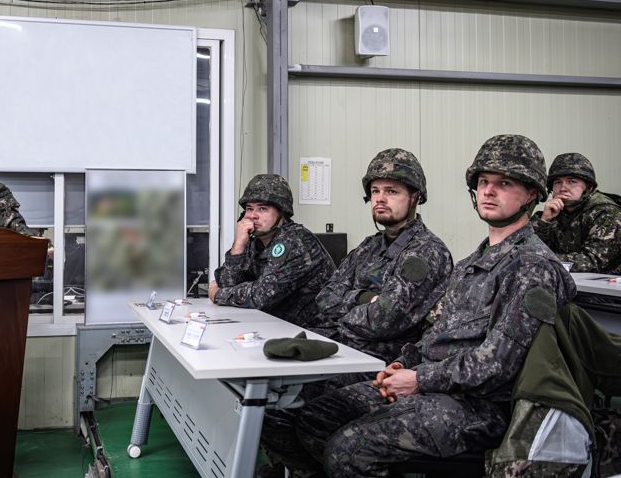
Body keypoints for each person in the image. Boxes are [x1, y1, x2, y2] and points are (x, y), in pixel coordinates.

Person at [261, 135, 576, 477]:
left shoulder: (533, 267)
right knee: (317, 419)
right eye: (484, 182)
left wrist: (419, 379)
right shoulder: (473, 262)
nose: (488, 191)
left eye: (504, 183)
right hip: (434, 385)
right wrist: (401, 364)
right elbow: (435, 335)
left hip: (480, 406)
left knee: (350, 449)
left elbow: (497, 365)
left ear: (531, 194)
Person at [312, 148, 452, 363]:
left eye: (391, 191)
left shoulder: (426, 251)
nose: (380, 199)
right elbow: (324, 297)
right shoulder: (370, 245)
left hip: (382, 362)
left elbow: (381, 320)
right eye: (375, 191)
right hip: (344, 349)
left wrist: (344, 308)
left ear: (414, 197)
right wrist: (362, 298)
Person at [208, 174, 336, 327]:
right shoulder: (253, 241)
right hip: (278, 327)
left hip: (316, 333)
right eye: (249, 209)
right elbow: (228, 283)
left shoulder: (295, 240)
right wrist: (238, 246)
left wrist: (217, 295)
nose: (253, 216)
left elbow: (261, 296)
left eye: (262, 209)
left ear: (281, 213)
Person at [531, 152, 621, 274]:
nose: (563, 188)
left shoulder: (606, 212)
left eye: (572, 181)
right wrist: (544, 221)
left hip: (600, 289)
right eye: (557, 182)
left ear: (588, 188)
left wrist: (541, 260)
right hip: (558, 281)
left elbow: (593, 262)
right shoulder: (551, 212)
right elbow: (522, 251)